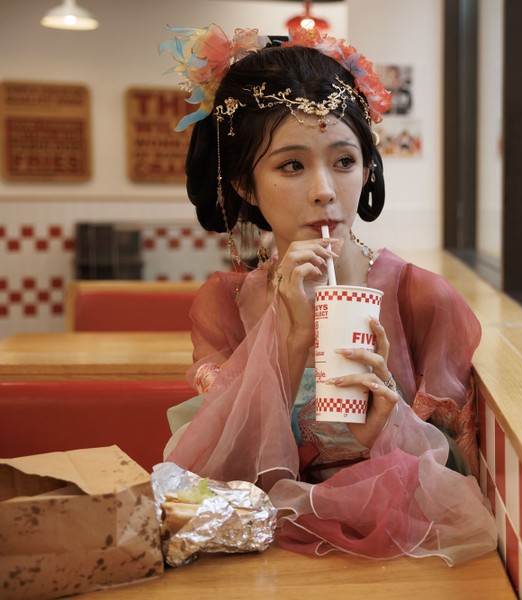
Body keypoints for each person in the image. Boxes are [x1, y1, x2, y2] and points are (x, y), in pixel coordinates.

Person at [158, 24, 497, 564]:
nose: (324, 189)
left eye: (343, 161)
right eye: (291, 165)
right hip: (251, 552)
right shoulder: (224, 302)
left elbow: (460, 482)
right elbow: (205, 476)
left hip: (396, 555)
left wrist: (385, 430)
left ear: (366, 168)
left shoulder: (420, 298)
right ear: (246, 185)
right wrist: (289, 335)